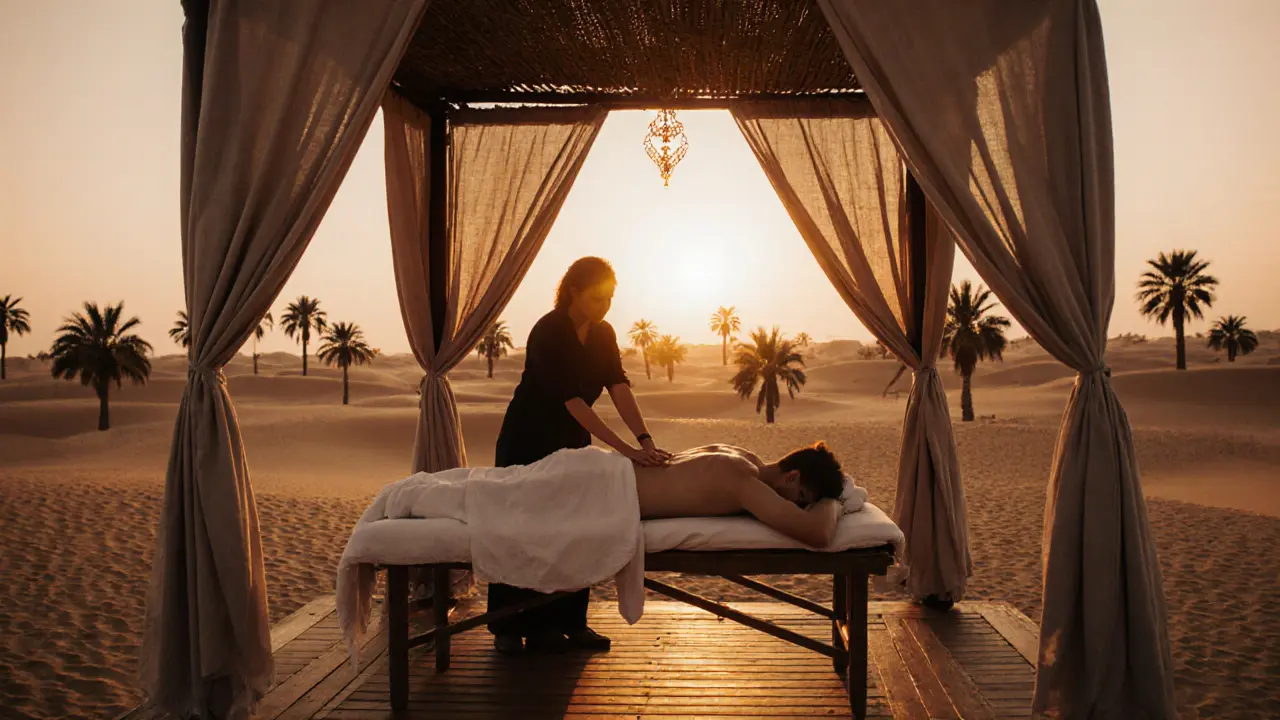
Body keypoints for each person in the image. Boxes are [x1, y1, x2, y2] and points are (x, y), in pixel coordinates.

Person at [488, 256, 672, 656]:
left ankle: (568, 623)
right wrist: (623, 451)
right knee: (522, 528)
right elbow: (571, 399)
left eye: (610, 299)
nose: (605, 306)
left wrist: (644, 440)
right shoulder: (548, 330)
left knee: (573, 527)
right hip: (528, 438)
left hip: (571, 438)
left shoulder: (604, 333)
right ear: (573, 291)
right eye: (597, 298)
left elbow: (618, 385)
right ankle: (509, 627)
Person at [634, 442, 846, 548]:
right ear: (791, 477)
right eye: (801, 497)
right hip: (613, 492)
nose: (796, 505)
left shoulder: (741, 456)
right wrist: (832, 502)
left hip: (621, 473)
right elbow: (819, 535)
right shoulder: (744, 482)